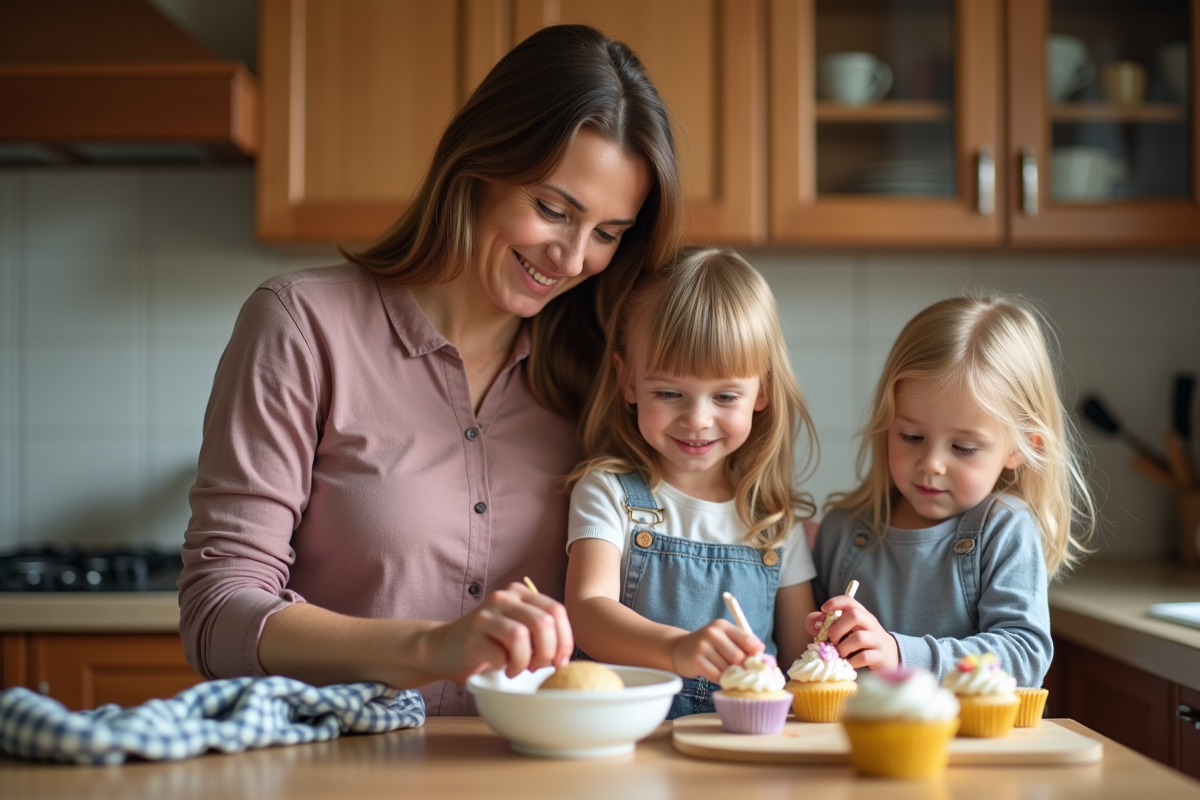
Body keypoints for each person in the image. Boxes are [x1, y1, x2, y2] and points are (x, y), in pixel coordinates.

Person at [177, 24, 681, 716]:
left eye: (606, 235)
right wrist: (431, 647)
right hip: (339, 769)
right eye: (552, 209)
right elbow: (218, 610)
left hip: (536, 774)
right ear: (479, 164)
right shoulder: (302, 324)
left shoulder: (606, 374)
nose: (571, 259)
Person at [563, 247, 819, 719]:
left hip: (737, 750)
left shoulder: (776, 523)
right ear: (628, 381)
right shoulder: (608, 491)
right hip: (626, 737)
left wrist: (832, 644)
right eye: (669, 393)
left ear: (761, 391)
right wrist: (678, 649)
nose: (697, 419)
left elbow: (801, 660)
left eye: (725, 395)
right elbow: (588, 611)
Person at [807, 294, 1096, 689]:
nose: (931, 463)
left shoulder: (1003, 529)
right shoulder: (843, 530)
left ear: (1020, 448)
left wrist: (899, 654)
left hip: (969, 747)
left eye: (963, 448)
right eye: (911, 436)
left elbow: (1024, 654)